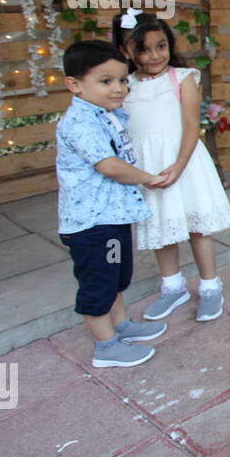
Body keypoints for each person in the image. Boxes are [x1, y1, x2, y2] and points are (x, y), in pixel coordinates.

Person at [57, 40, 171, 368]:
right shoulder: (81, 122)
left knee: (116, 276)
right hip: (92, 226)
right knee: (98, 283)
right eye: (105, 81)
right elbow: (108, 165)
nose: (118, 88)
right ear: (74, 84)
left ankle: (120, 326)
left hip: (112, 218)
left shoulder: (105, 114)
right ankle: (105, 346)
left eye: (122, 80)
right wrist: (147, 177)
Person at [120, 14, 230, 322]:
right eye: (144, 49)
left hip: (184, 162)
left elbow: (190, 124)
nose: (155, 55)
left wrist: (178, 166)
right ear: (126, 51)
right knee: (162, 229)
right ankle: (173, 287)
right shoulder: (124, 86)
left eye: (161, 46)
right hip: (149, 171)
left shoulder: (181, 78)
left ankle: (211, 287)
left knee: (198, 228)